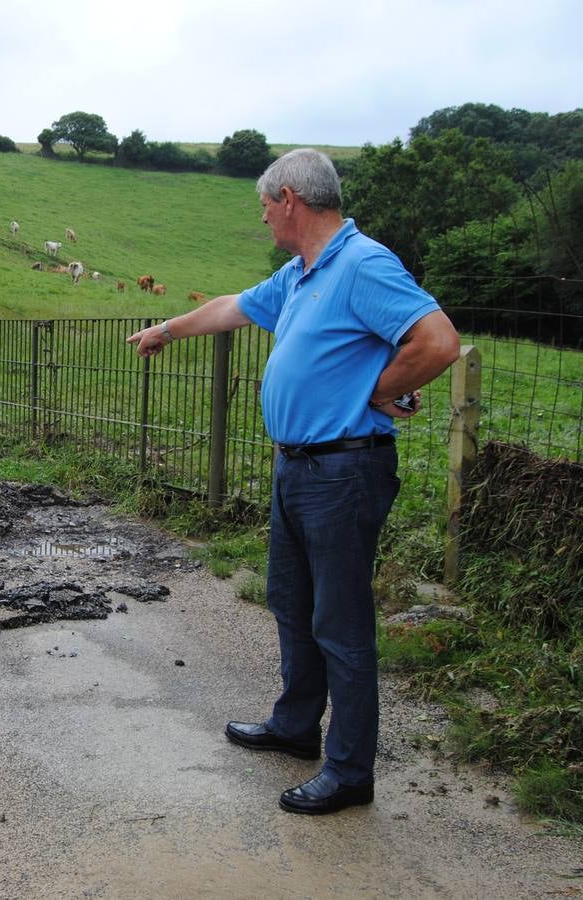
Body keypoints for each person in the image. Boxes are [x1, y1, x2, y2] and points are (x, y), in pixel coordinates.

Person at [126, 149, 460, 815]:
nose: (262, 218)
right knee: (291, 602)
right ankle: (296, 726)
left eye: (264, 206)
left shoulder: (362, 263)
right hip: (297, 467)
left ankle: (349, 771)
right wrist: (167, 328)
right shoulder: (302, 275)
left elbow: (438, 341)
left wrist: (378, 391)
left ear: (288, 199)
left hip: (344, 469)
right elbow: (231, 308)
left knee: (340, 623)